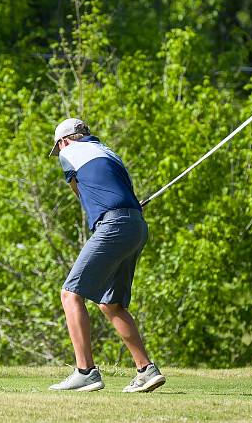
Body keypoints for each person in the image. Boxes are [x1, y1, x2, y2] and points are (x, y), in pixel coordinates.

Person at [47, 117, 166, 393]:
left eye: (59, 147)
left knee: (70, 294)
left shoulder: (69, 153)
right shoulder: (110, 153)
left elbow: (81, 193)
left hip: (113, 225)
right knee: (110, 304)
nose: (59, 153)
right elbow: (115, 190)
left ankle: (85, 371)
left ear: (64, 141)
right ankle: (146, 370)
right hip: (136, 225)